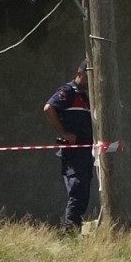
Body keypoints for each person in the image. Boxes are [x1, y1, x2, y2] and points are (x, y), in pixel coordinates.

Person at [43, 60, 93, 231]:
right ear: (79, 73)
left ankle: (75, 228)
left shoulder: (87, 96)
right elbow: (48, 108)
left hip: (87, 151)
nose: (90, 82)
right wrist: (63, 132)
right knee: (77, 188)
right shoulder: (68, 91)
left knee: (84, 191)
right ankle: (69, 230)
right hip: (73, 152)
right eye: (88, 77)